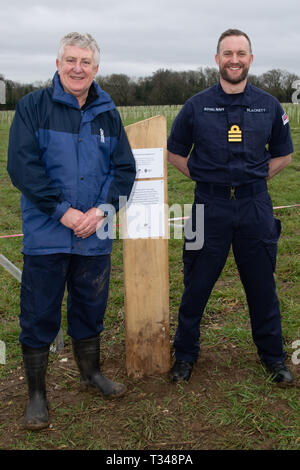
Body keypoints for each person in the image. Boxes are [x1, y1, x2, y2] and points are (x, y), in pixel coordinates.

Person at [7, 32, 136, 430]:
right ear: (58, 63)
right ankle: (36, 395)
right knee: (39, 312)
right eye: (70, 60)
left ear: (96, 68)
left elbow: (124, 169)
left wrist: (99, 212)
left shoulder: (108, 112)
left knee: (90, 307)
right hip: (47, 233)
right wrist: (64, 213)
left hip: (94, 235)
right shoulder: (32, 107)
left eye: (86, 62)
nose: (77, 68)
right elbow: (23, 167)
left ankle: (90, 373)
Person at [167, 29, 294, 386]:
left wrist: (253, 181)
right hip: (207, 206)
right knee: (196, 284)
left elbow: (284, 154)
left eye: (241, 53)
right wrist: (205, 178)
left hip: (255, 207)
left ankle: (273, 357)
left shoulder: (269, 105)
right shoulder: (195, 105)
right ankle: (185, 355)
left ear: (250, 59)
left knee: (262, 286)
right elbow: (175, 151)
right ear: (217, 59)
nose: (234, 59)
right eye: (227, 53)